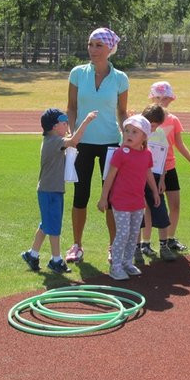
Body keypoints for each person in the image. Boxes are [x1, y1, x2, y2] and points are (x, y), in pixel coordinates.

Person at [66, 27, 129, 264]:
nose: (93, 50)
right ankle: (77, 245)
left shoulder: (120, 78)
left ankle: (113, 246)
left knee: (111, 197)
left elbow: (122, 112)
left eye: (98, 45)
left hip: (110, 143)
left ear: (109, 48)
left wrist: (128, 136)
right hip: (82, 143)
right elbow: (71, 107)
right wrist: (73, 133)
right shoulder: (77, 73)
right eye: (90, 44)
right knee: (80, 195)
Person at [21, 108, 97, 274]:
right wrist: (86, 121)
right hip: (50, 191)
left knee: (46, 224)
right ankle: (56, 260)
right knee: (54, 227)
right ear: (55, 126)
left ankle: (32, 254)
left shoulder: (53, 140)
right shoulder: (54, 141)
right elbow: (74, 141)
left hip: (51, 190)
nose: (66, 126)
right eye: (64, 123)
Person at [98, 115, 160, 280]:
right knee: (123, 233)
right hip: (120, 201)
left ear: (144, 137)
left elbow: (148, 173)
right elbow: (110, 177)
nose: (129, 135)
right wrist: (103, 198)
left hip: (137, 201)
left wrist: (154, 191)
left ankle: (127, 262)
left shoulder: (146, 154)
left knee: (134, 233)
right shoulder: (120, 153)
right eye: (127, 131)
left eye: (134, 132)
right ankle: (116, 266)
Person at [139, 81, 190, 256]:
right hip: (149, 170)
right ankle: (145, 242)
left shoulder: (173, 120)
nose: (163, 101)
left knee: (174, 205)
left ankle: (170, 238)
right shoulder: (145, 119)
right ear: (152, 97)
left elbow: (179, 144)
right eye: (159, 97)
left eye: (166, 98)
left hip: (169, 168)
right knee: (149, 206)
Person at [136, 104, 175, 263]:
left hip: (156, 176)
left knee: (160, 208)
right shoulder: (135, 131)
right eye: (151, 125)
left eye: (156, 126)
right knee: (137, 212)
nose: (153, 129)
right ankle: (136, 247)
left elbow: (163, 158)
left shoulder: (159, 135)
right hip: (136, 178)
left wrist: (162, 180)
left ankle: (163, 245)